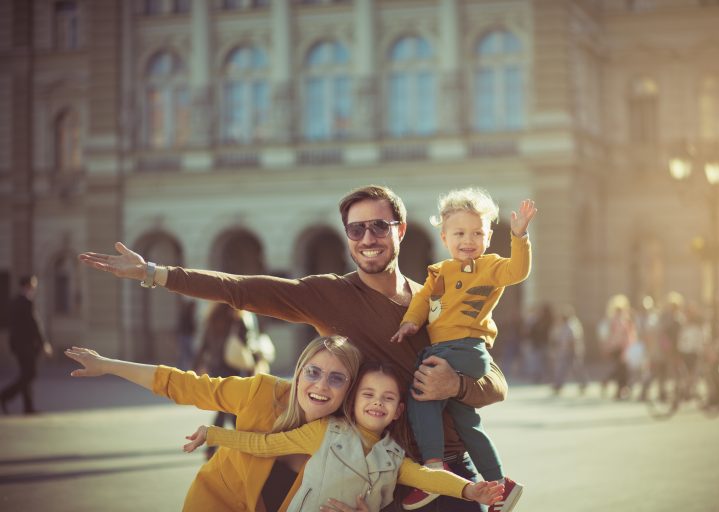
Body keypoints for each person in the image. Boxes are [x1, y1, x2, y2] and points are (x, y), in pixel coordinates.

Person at [79, 185, 509, 512]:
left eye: (379, 226)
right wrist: (155, 273)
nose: (368, 237)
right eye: (356, 229)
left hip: (450, 465)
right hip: (380, 472)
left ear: (401, 229)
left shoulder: (435, 300)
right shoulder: (328, 294)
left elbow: (495, 384)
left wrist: (456, 385)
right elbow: (241, 289)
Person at [65, 335, 363, 512]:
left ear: (350, 389)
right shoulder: (262, 392)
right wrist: (108, 366)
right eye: (313, 372)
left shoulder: (351, 442)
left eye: (337, 378)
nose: (321, 385)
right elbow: (186, 385)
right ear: (298, 373)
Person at [183, 362, 505, 512]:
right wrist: (213, 434)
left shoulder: (394, 457)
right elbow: (264, 445)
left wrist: (469, 489)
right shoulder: (324, 431)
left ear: (398, 411)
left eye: (388, 398)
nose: (377, 402)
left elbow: (428, 477)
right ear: (352, 402)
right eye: (368, 394)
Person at [390, 188, 534, 511]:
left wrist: (519, 236)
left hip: (466, 349)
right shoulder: (439, 272)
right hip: (451, 350)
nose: (468, 240)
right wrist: (410, 322)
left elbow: (518, 271)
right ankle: (500, 484)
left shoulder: (489, 266)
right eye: (459, 233)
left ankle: (433, 469)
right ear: (444, 237)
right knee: (466, 424)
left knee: (422, 394)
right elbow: (421, 300)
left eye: (477, 233)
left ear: (488, 237)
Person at [192, 302, 248, 459]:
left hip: (216, 368)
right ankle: (243, 442)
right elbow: (246, 342)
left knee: (225, 408)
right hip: (233, 369)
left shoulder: (212, 318)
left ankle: (214, 446)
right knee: (230, 409)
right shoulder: (237, 319)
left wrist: (197, 365)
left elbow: (204, 345)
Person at [1, 275, 53, 415]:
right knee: (30, 373)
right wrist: (44, 343)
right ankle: (5, 395)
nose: (34, 289)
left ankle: (28, 407)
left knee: (25, 374)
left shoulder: (14, 302)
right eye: (33, 286)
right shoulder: (27, 302)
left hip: (18, 345)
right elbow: (35, 325)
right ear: (26, 286)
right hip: (27, 346)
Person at [176, 299, 197, 370]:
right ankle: (185, 368)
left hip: (185, 336)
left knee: (185, 353)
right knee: (187, 353)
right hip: (187, 336)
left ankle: (185, 368)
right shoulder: (188, 315)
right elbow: (191, 326)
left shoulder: (186, 314)